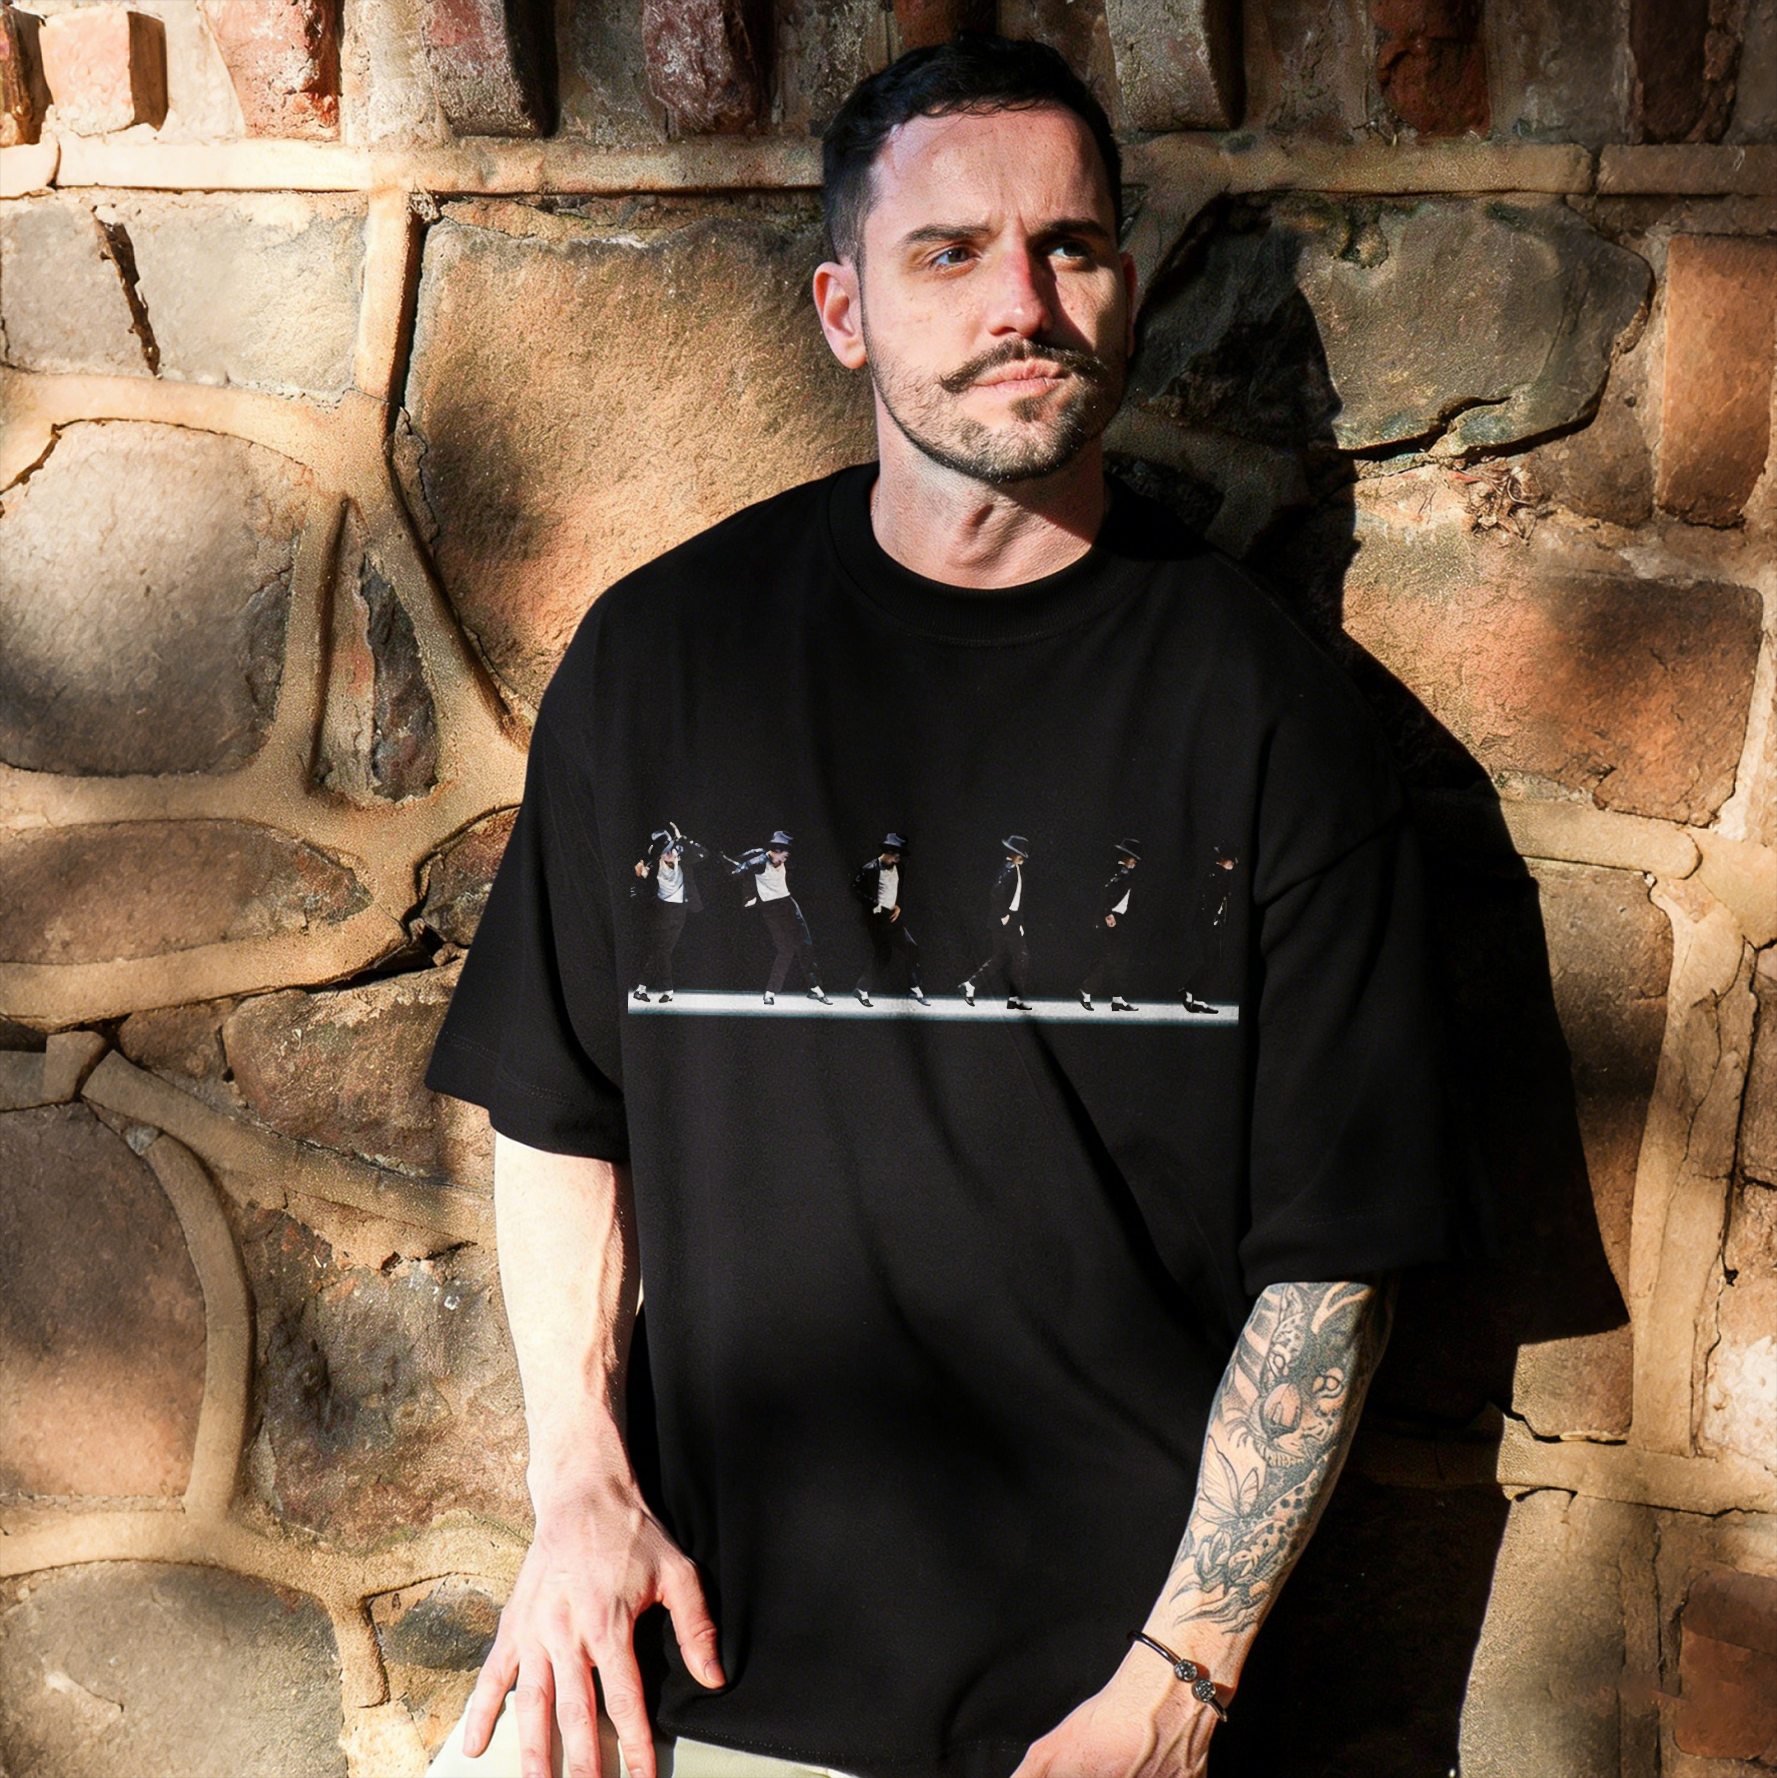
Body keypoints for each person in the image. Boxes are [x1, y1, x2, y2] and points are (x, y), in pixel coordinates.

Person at [424, 31, 1461, 1778]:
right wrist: (578, 1485)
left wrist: (1178, 1682)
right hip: (687, 1678)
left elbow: (1336, 1258)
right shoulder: (665, 660)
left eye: (1070, 247)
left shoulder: (1265, 713)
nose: (1021, 304)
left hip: (1091, 1717)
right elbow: (559, 1109)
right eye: (949, 252)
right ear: (844, 310)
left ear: (1124, 288)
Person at [725, 832, 830, 1005]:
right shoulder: (759, 862)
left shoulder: (780, 860)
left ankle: (814, 987)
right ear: (776, 851)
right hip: (771, 909)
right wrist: (750, 895)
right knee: (786, 950)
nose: (786, 857)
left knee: (805, 945)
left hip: (788, 904)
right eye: (784, 853)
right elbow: (736, 872)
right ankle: (770, 992)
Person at [631, 825, 708, 1003]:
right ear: (659, 855)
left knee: (663, 951)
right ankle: (666, 990)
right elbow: (637, 889)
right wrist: (639, 877)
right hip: (662, 909)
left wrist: (681, 839)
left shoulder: (684, 860)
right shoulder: (652, 867)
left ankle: (642, 988)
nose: (670, 854)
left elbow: (704, 853)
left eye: (671, 849)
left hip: (680, 909)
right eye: (665, 852)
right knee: (663, 951)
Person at [851, 833, 929, 1006]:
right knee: (884, 954)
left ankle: (914, 988)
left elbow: (899, 889)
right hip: (876, 918)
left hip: (891, 916)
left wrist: (898, 905)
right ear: (888, 852)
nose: (897, 860)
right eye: (895, 856)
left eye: (899, 857)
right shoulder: (870, 868)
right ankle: (862, 989)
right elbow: (854, 889)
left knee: (910, 948)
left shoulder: (899, 867)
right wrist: (873, 904)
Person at [959, 834, 1033, 1009]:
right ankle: (1015, 997)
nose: (1021, 858)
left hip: (1011, 920)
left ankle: (970, 985)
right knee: (1021, 957)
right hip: (1005, 921)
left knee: (1000, 957)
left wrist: (1018, 922)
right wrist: (1004, 916)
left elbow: (1017, 900)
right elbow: (996, 893)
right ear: (1014, 853)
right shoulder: (1008, 869)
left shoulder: (1014, 869)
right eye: (1019, 854)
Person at [1080, 839, 1140, 1011]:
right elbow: (1103, 894)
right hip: (1109, 919)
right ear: (1126, 856)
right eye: (1134, 858)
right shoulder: (1117, 871)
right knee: (1111, 958)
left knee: (1120, 959)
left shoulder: (1125, 872)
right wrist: (1107, 913)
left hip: (1118, 919)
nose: (1136, 862)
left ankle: (1117, 998)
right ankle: (1085, 991)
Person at [1181, 847, 1236, 1017]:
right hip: (1207, 923)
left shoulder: (1220, 874)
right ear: (1223, 858)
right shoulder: (1214, 873)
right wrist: (1211, 920)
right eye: (1231, 859)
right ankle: (1189, 990)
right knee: (1214, 960)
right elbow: (1208, 900)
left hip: (1213, 923)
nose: (1234, 864)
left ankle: (1196, 997)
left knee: (1214, 961)